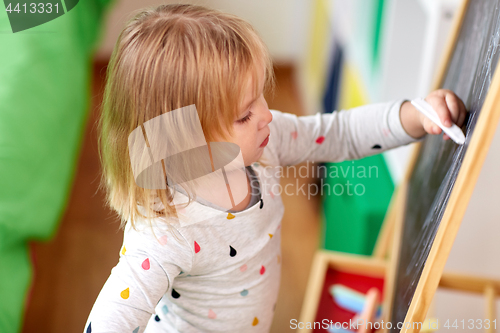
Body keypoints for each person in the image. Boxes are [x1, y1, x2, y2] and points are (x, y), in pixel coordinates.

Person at [84, 4, 467, 333]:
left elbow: (340, 133)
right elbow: (110, 319)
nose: (267, 115)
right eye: (244, 114)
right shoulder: (165, 229)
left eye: (260, 97)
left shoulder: (263, 145)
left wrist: (415, 115)